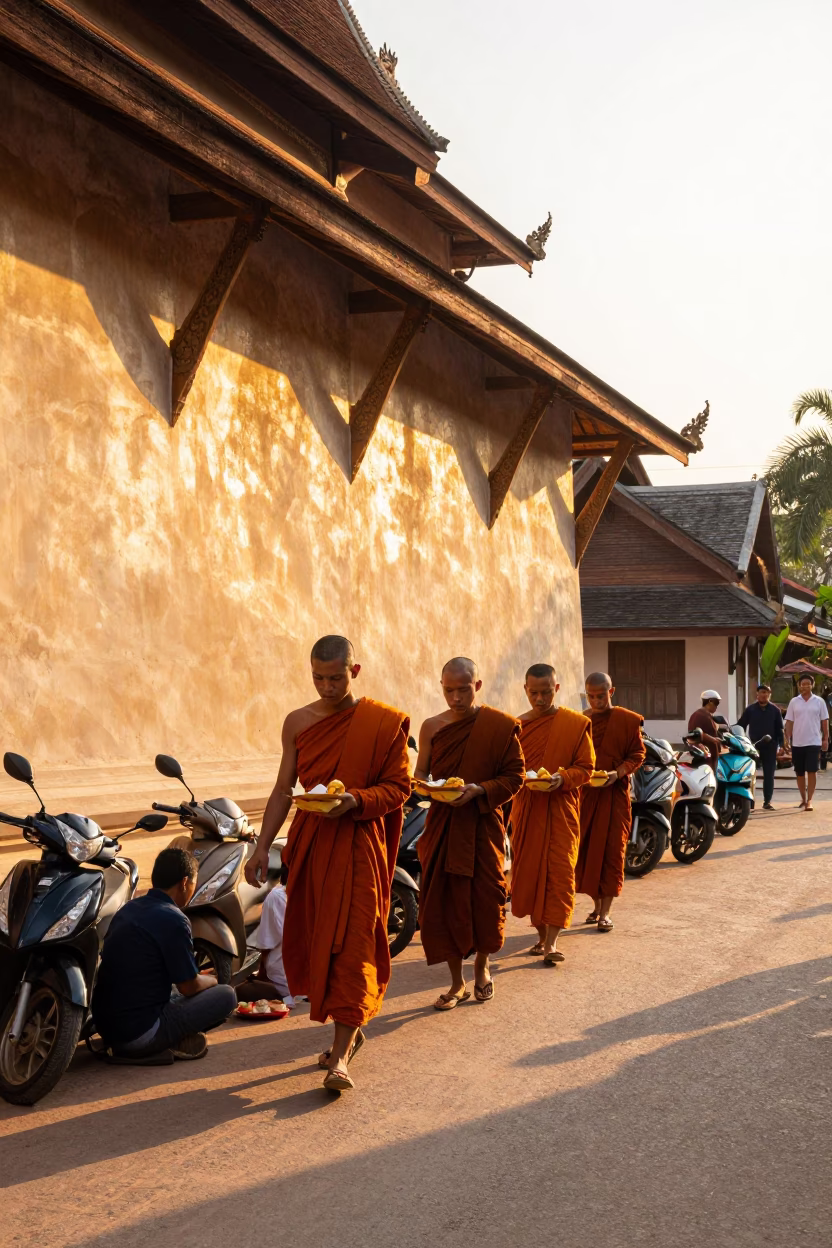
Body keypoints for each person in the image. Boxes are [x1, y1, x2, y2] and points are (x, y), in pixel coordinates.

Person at [245, 635, 410, 1092]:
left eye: (335, 678)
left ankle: (339, 1059)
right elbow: (284, 789)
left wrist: (355, 800)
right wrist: (261, 847)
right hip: (313, 846)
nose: (326, 686)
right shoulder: (297, 722)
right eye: (318, 677)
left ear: (354, 672)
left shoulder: (382, 723)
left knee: (354, 943)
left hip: (360, 846)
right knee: (322, 942)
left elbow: (400, 788)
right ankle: (348, 1031)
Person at [415, 657, 524, 1008]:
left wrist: (478, 790)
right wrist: (430, 790)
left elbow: (515, 776)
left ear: (477, 686)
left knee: (486, 900)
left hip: (482, 826)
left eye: (463, 689)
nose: (456, 697)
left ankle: (482, 966)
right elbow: (419, 779)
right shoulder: (431, 727)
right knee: (445, 905)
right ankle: (456, 981)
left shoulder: (499, 726)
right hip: (443, 828)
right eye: (449, 690)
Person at [92, 847, 237, 1062]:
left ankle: (161, 1041)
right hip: (139, 1034)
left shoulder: (129, 908)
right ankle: (164, 1042)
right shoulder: (174, 919)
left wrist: (197, 978)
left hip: (107, 1027)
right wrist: (211, 980)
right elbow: (189, 987)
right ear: (185, 882)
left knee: (172, 991)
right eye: (194, 883)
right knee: (226, 995)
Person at [510, 663, 594, 965]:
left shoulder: (573, 724)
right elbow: (510, 770)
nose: (540, 699)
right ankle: (541, 935)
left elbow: (586, 768)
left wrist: (561, 779)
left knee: (560, 872)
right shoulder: (518, 727)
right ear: (525, 690)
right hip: (528, 809)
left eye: (546, 692)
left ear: (556, 689)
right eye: (534, 693)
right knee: (532, 872)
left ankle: (553, 943)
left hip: (561, 809)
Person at [576, 672, 646, 932]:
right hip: (587, 796)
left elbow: (638, 754)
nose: (596, 701)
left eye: (601, 695)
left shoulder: (627, 720)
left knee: (612, 853)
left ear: (611, 692)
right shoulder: (580, 721)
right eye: (591, 696)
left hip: (615, 796)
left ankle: (606, 913)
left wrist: (617, 772)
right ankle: (595, 905)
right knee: (586, 853)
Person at [236, 866, 295, 1006]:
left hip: (284, 984)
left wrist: (261, 976)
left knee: (237, 992)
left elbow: (266, 947)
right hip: (313, 984)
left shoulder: (277, 896)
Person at [784, 673, 829, 811]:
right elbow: (790, 722)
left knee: (812, 770)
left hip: (814, 741)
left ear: (812, 685)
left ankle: (810, 800)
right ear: (799, 686)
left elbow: (824, 721)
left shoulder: (819, 701)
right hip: (797, 742)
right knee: (800, 772)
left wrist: (825, 739)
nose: (805, 686)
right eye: (802, 684)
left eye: (807, 684)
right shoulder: (794, 702)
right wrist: (787, 739)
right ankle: (803, 799)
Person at [738, 683, 784, 811]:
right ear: (757, 694)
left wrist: (781, 746)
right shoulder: (750, 710)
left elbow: (780, 730)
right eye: (761, 692)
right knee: (748, 774)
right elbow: (741, 725)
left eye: (766, 692)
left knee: (769, 775)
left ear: (770, 694)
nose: (764, 695)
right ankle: (747, 802)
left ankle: (767, 801)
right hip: (754, 747)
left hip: (770, 746)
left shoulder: (775, 710)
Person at [688, 691, 725, 771]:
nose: (716, 706)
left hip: (711, 755)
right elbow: (696, 733)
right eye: (716, 703)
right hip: (704, 755)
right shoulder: (699, 715)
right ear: (710, 701)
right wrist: (713, 740)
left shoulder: (708, 715)